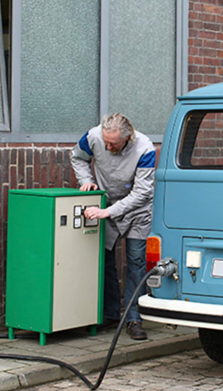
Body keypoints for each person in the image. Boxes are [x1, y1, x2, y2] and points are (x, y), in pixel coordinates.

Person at [71, 113, 156, 340]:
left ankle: (134, 319)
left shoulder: (145, 149)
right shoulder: (92, 137)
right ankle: (110, 314)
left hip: (136, 210)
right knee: (105, 259)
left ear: (128, 138)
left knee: (136, 262)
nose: (108, 146)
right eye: (106, 141)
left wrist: (108, 212)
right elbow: (77, 157)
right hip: (107, 203)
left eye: (114, 144)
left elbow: (142, 192)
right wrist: (86, 180)